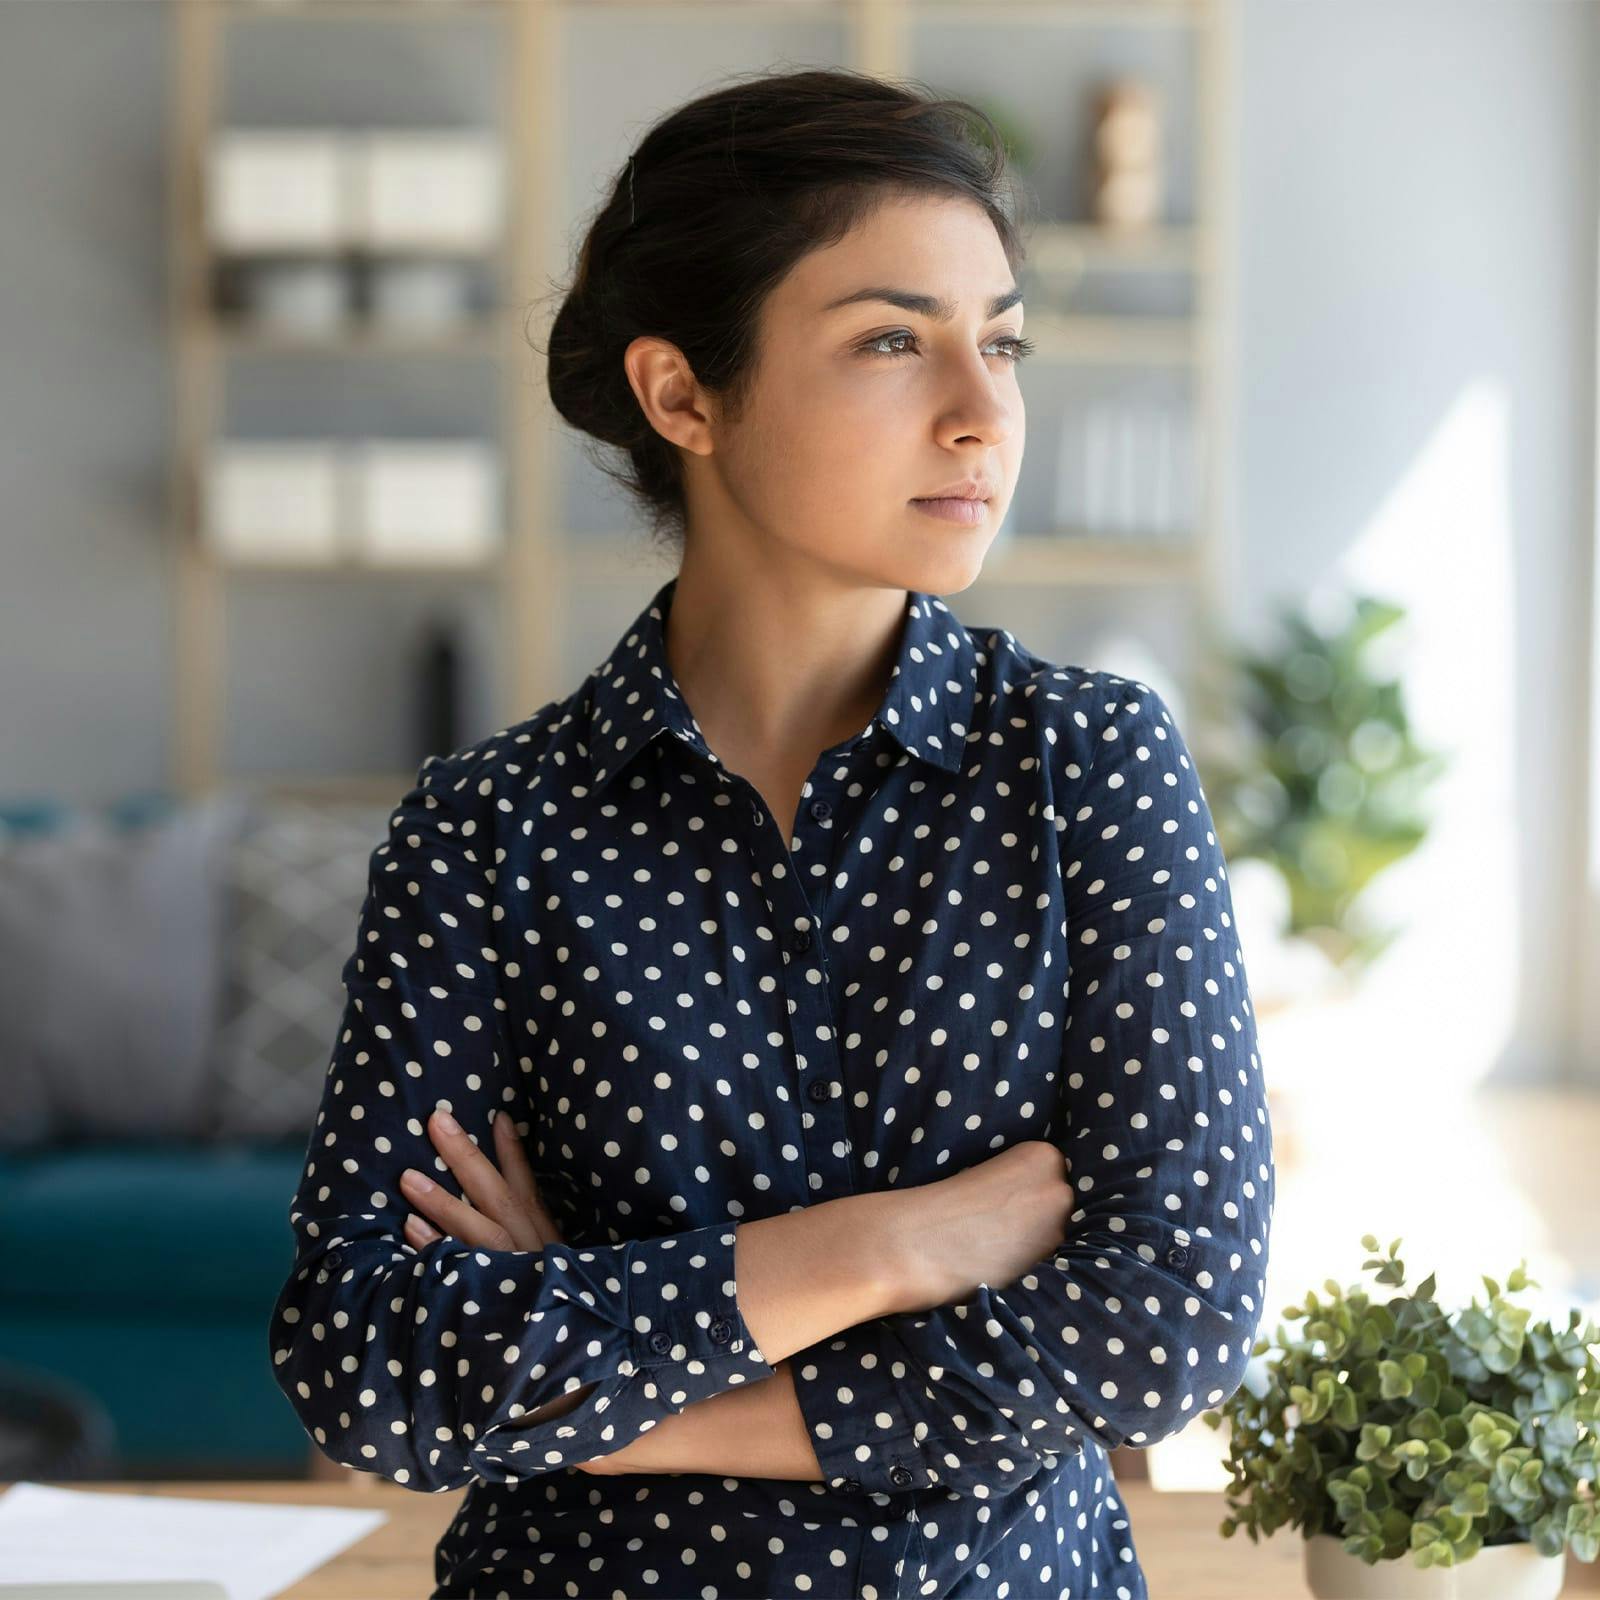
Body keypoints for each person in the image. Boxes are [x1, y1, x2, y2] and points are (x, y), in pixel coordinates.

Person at [267, 65, 1276, 1600]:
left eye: (999, 342)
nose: (981, 411)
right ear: (685, 395)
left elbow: (1166, 1325)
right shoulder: (485, 832)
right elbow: (372, 1362)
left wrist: (596, 1389)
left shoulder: (1091, 771)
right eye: (892, 340)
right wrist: (896, 1247)